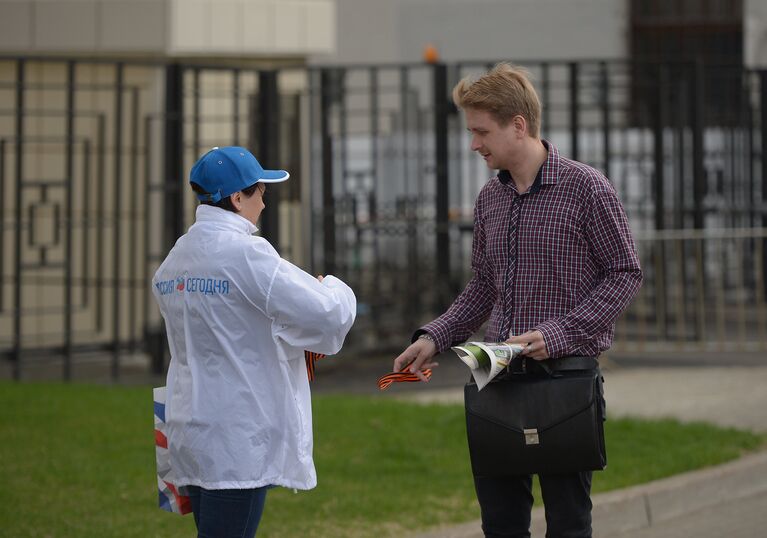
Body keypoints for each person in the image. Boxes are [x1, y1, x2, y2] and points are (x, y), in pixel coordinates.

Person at [393, 64, 642, 537]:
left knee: (569, 524)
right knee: (501, 525)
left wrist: (560, 333)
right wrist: (434, 337)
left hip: (566, 376)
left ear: (518, 125)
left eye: (481, 131)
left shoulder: (587, 188)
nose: (474, 144)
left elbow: (625, 273)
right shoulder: (490, 199)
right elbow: (483, 286)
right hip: (495, 373)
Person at [152, 146, 356, 537]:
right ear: (237, 198)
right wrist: (329, 285)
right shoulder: (246, 254)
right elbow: (328, 315)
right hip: (237, 439)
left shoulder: (177, 257)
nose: (264, 202)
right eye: (260, 191)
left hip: (187, 429)